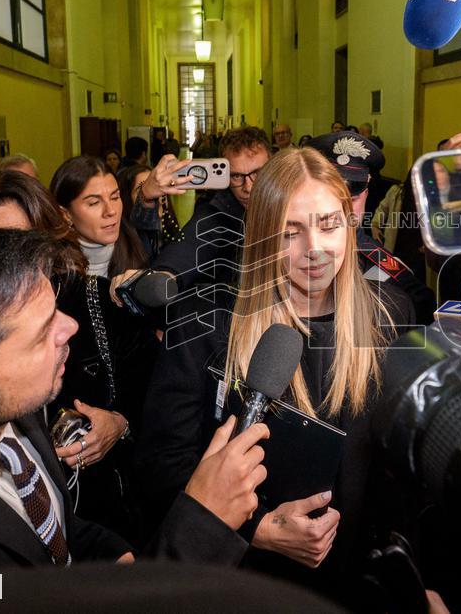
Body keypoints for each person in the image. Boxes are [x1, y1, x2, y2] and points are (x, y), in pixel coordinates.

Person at [0, 226, 269, 569]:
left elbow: (41, 525)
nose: (70, 328)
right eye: (42, 331)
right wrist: (203, 523)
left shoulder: (4, 409)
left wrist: (111, 552)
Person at [136, 148, 414, 606]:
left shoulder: (390, 314)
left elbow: (397, 474)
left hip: (354, 583)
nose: (315, 250)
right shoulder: (207, 321)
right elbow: (161, 465)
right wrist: (259, 528)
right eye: (291, 232)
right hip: (248, 583)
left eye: (329, 225)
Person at [0, 170, 156, 544]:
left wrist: (120, 424)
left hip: (105, 518)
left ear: (47, 236)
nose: (6, 260)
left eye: (20, 242)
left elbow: (155, 396)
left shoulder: (98, 301)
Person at [307, 131, 435, 323]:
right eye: (334, 198)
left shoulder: (380, 266)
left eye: (353, 198)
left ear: (366, 193)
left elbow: (422, 310)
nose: (343, 209)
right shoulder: (294, 250)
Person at [143, 126, 272, 292]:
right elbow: (186, 250)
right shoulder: (215, 214)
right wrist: (160, 279)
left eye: (257, 173)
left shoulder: (295, 202)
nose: (248, 187)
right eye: (236, 176)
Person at [50, 156, 148, 278]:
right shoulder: (50, 272)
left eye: (115, 197)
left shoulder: (138, 248)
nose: (111, 211)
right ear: (66, 214)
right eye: (94, 203)